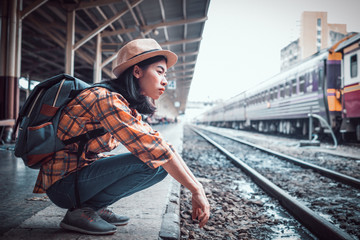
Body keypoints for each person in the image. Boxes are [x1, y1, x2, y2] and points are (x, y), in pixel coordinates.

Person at [33, 38, 210, 235]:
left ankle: (92, 207)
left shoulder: (125, 106)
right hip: (63, 186)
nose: (165, 80)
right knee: (152, 161)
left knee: (159, 166)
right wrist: (196, 191)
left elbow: (162, 145)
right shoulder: (105, 99)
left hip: (77, 176)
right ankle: (80, 212)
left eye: (165, 74)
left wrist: (197, 187)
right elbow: (155, 150)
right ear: (137, 71)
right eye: (159, 71)